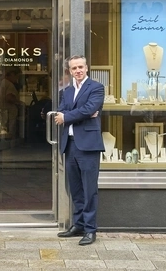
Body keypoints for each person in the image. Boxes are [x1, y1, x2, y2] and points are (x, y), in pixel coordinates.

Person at [53, 55, 105, 246]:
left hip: (89, 145)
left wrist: (68, 116)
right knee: (75, 189)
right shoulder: (65, 91)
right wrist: (80, 113)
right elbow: (62, 112)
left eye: (81, 67)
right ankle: (79, 225)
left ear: (87, 67)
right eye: (74, 68)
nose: (78, 71)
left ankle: (91, 230)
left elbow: (89, 108)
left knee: (89, 189)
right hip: (71, 144)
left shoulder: (96, 88)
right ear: (70, 71)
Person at [0, 67, 22, 139]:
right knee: (9, 132)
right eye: (17, 76)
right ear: (12, 74)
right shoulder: (9, 84)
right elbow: (9, 97)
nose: (17, 79)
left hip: (0, 111)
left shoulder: (2, 83)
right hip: (8, 113)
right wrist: (19, 102)